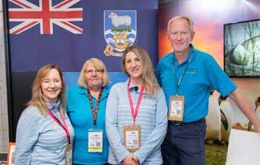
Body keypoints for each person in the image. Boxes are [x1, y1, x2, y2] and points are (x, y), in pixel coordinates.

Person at [156, 15, 260, 165]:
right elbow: (154, 90)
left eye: (183, 33)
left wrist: (256, 122)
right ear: (169, 37)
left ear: (192, 35)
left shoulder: (206, 62)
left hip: (192, 132)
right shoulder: (163, 63)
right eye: (174, 33)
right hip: (165, 129)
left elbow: (234, 92)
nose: (178, 38)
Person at [106, 45, 168, 165]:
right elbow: (111, 125)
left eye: (137, 59)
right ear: (125, 66)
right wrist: (124, 156)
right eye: (129, 61)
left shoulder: (157, 92)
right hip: (119, 160)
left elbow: (161, 126)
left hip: (150, 160)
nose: (133, 65)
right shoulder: (116, 90)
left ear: (144, 62)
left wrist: (138, 157)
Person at [15, 64, 74, 165]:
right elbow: (21, 155)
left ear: (62, 84)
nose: (52, 86)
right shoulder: (31, 115)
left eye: (56, 80)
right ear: (40, 85)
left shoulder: (61, 109)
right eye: (46, 81)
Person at [66, 58, 110, 164]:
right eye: (89, 71)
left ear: (104, 74)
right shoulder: (71, 94)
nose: (94, 74)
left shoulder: (113, 93)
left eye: (98, 70)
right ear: (84, 74)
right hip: (78, 159)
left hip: (108, 159)